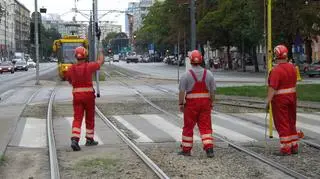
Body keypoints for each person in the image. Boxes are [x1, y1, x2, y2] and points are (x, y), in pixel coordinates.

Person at [65, 46, 104, 151]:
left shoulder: (71, 68)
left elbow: (68, 80)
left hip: (77, 96)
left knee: (77, 118)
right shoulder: (89, 66)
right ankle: (89, 139)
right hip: (89, 97)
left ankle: (75, 139)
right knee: (90, 118)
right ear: (85, 56)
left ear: (75, 56)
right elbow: (100, 61)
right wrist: (100, 50)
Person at [178, 50, 216, 158]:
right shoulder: (208, 74)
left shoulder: (186, 75)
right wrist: (211, 103)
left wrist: (181, 104)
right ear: (201, 60)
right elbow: (212, 92)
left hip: (191, 105)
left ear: (190, 61)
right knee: (206, 127)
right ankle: (209, 148)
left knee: (188, 127)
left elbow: (181, 92)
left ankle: (186, 150)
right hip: (205, 104)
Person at [266, 44, 299, 156]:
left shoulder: (276, 70)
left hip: (280, 101)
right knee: (291, 121)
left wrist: (267, 101)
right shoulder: (292, 67)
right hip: (292, 98)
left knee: (282, 123)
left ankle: (285, 148)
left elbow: (272, 87)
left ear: (276, 55)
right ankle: (294, 145)